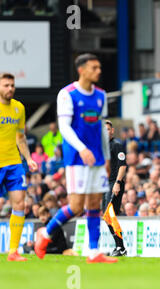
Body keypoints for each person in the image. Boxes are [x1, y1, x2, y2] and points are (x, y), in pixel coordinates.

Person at [34, 53, 117, 264]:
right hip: (77, 158)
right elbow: (64, 127)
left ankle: (94, 251)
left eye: (99, 67)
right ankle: (46, 233)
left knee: (94, 204)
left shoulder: (100, 95)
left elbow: (100, 127)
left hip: (97, 157)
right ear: (81, 70)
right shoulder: (67, 94)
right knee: (77, 206)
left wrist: (106, 157)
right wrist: (81, 148)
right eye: (94, 68)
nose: (99, 71)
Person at [0, 72, 38, 261]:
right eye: (6, 85)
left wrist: (29, 158)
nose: (10, 89)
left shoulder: (19, 108)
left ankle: (13, 251)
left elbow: (20, 137)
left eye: (12, 85)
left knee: (20, 204)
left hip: (14, 163)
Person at [102, 120, 127, 256]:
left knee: (109, 214)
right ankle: (119, 247)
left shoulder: (116, 145)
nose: (105, 132)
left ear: (112, 131)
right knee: (107, 217)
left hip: (113, 183)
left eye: (107, 129)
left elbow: (122, 165)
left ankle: (120, 247)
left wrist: (118, 182)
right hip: (104, 184)